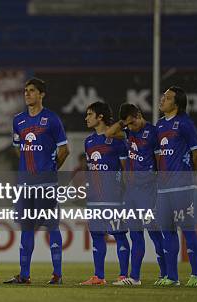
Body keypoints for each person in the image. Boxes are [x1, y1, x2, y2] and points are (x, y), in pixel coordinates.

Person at [5, 78, 69, 285]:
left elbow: (64, 150)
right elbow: (17, 147)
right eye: (25, 91)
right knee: (26, 228)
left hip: (46, 184)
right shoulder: (18, 120)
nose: (27, 94)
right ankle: (24, 275)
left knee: (52, 227)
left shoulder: (52, 119)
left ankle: (57, 275)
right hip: (25, 185)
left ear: (41, 94)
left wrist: (50, 169)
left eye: (32, 91)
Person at [104, 103, 165, 285]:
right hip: (130, 192)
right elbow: (109, 133)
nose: (131, 127)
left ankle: (166, 275)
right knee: (135, 234)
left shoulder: (153, 133)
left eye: (133, 123)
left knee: (154, 234)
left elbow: (160, 161)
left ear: (139, 115)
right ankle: (135, 277)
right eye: (127, 124)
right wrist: (124, 122)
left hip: (147, 191)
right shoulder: (129, 131)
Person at [155, 86, 197, 286]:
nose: (162, 100)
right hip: (163, 189)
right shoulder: (158, 125)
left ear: (176, 103)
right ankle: (172, 277)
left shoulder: (185, 123)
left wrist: (190, 175)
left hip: (183, 188)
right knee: (167, 232)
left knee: (188, 230)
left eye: (166, 98)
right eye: (163, 96)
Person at [80, 102, 131, 285]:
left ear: (100, 117)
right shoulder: (89, 142)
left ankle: (124, 275)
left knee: (119, 234)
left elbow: (127, 170)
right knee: (96, 235)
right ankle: (99, 277)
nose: (86, 118)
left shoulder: (117, 141)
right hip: (94, 198)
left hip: (113, 197)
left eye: (89, 114)